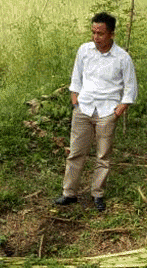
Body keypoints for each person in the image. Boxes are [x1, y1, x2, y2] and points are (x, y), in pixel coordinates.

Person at [53, 12, 138, 212]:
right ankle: (69, 193)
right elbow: (76, 77)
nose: (96, 37)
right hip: (84, 107)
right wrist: (75, 100)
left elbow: (130, 87)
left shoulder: (122, 58)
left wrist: (119, 109)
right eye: (93, 32)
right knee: (75, 152)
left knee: (103, 155)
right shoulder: (84, 50)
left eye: (100, 33)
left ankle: (97, 194)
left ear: (111, 34)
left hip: (107, 111)